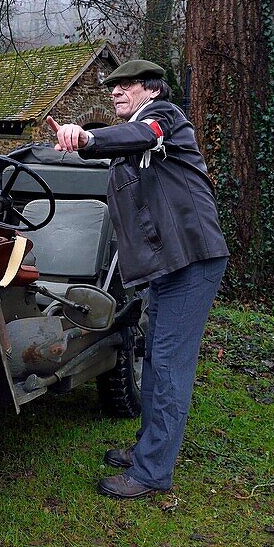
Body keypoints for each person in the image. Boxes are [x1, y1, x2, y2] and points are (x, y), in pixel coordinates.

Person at [47, 59, 229, 500]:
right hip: (170, 265)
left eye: (124, 85)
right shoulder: (134, 150)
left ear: (151, 89)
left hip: (192, 261)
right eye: (112, 88)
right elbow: (126, 151)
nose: (115, 93)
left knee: (168, 367)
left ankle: (151, 473)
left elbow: (140, 135)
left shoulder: (163, 117)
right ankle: (146, 450)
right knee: (155, 359)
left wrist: (87, 136)